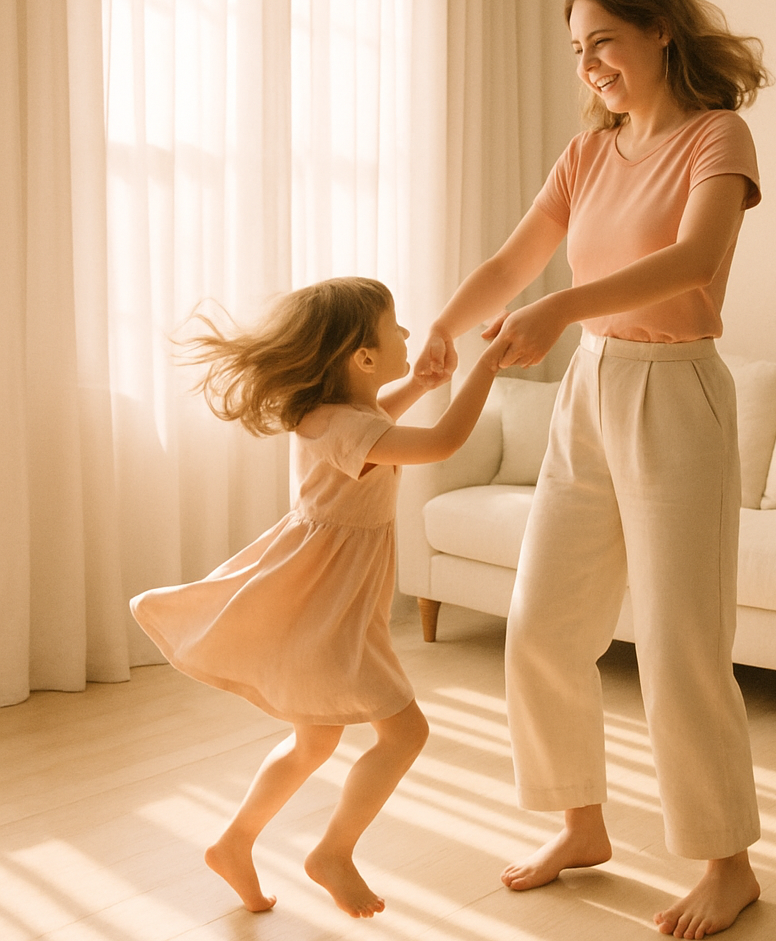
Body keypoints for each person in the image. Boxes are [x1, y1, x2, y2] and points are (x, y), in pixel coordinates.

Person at [415, 0, 769, 940]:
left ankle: (728, 864)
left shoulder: (717, 136)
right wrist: (443, 330)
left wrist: (562, 307)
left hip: (676, 390)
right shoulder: (586, 155)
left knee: (681, 643)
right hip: (589, 387)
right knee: (541, 623)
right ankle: (580, 824)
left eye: (604, 41)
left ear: (660, 29)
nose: (590, 66)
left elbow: (694, 259)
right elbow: (510, 263)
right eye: (577, 50)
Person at [131, 277, 503, 919]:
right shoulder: (342, 426)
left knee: (314, 741)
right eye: (396, 327)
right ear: (363, 357)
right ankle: (333, 851)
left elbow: (375, 422)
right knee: (405, 733)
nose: (408, 334)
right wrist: (489, 365)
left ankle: (233, 843)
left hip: (325, 600)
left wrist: (419, 384)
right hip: (331, 610)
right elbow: (440, 443)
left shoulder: (334, 416)